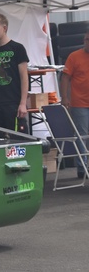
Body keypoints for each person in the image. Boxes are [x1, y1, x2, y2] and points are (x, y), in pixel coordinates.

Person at [0, 14, 29, 132]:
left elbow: (24, 77)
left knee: (17, 140)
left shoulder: (17, 48)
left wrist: (23, 103)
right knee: (0, 140)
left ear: (4, 28)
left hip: (13, 102)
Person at [59, 30, 89, 178]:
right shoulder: (74, 56)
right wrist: (64, 97)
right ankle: (82, 167)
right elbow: (65, 78)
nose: (87, 42)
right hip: (80, 104)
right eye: (86, 39)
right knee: (82, 136)